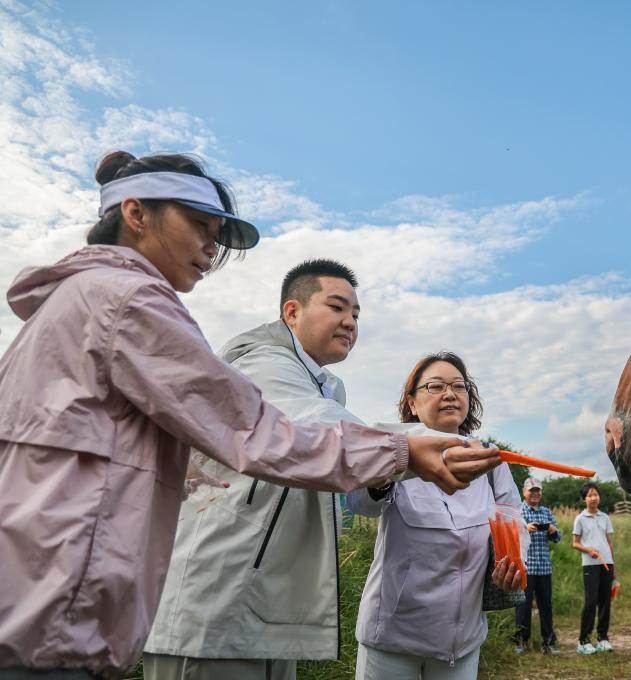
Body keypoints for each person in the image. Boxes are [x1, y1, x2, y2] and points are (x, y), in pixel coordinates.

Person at [0, 152, 499, 680]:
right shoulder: (142, 307)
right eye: (199, 225)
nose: (211, 248)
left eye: (357, 312)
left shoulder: (89, 299)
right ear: (136, 213)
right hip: (96, 600)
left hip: (73, 592)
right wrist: (408, 446)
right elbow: (265, 430)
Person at [144, 259, 385, 680]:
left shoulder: (326, 387)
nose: (350, 322)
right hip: (216, 602)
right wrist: (414, 448)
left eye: (356, 314)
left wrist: (382, 478)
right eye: (337, 307)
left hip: (268, 605)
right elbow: (315, 424)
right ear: (292, 312)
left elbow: (344, 476)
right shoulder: (262, 362)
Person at [346, 352, 521, 680]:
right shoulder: (396, 450)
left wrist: (509, 565)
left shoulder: (490, 462)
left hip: (462, 641)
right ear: (412, 403)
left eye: (459, 386)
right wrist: (393, 465)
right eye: (436, 386)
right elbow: (361, 504)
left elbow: (513, 522)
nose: (450, 394)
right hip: (392, 639)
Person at [513, 477, 561, 655]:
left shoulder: (546, 512)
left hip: (544, 567)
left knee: (546, 605)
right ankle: (521, 641)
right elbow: (511, 535)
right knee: (522, 605)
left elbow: (557, 538)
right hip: (525, 567)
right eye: (531, 490)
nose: (535, 493)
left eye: (537, 490)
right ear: (524, 492)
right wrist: (524, 529)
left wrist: (553, 531)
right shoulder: (518, 511)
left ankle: (549, 641)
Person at [571, 482, 615, 655]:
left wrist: (613, 565)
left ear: (599, 497)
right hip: (590, 564)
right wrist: (588, 550)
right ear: (584, 499)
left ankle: (603, 638)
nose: (593, 498)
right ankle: (583, 640)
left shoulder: (605, 517)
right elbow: (575, 543)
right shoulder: (580, 519)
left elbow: (609, 542)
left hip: (607, 563)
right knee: (591, 601)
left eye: (595, 494)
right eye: (589, 495)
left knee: (605, 601)